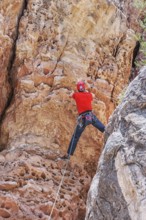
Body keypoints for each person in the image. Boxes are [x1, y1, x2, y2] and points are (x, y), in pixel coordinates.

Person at [61, 81, 105, 160]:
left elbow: (70, 95)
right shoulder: (88, 95)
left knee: (75, 137)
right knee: (103, 129)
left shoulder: (76, 95)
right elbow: (93, 95)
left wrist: (74, 92)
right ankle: (108, 132)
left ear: (78, 89)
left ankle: (68, 155)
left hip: (82, 119)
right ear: (84, 88)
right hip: (90, 117)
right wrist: (86, 92)